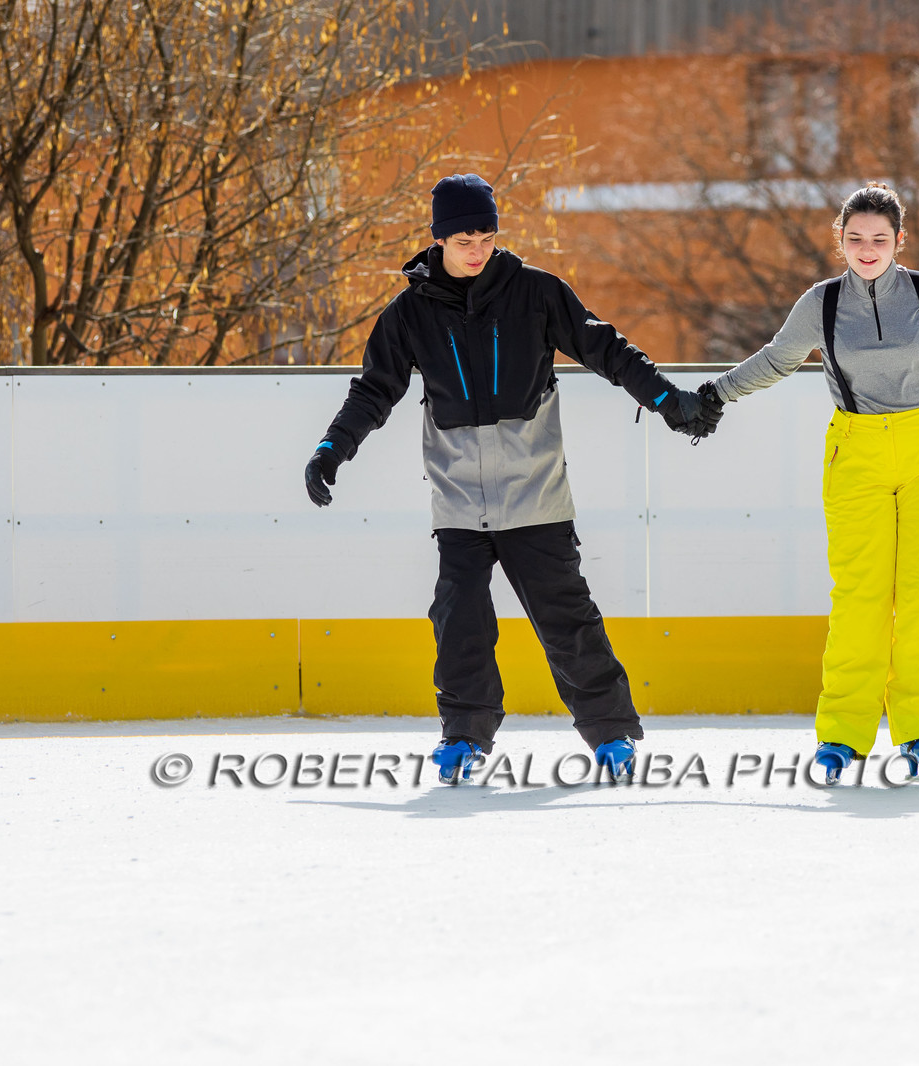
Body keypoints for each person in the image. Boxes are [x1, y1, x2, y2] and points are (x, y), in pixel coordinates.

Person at [305, 173, 722, 783]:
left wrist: (667, 400)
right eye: (464, 239)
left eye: (486, 237)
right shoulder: (410, 313)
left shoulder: (536, 293)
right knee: (460, 619)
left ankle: (611, 736)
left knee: (566, 617)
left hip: (536, 491)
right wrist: (332, 447)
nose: (477, 250)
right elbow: (376, 388)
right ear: (439, 239)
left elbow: (607, 350)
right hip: (458, 497)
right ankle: (463, 737)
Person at [704, 182, 919, 785]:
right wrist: (715, 394)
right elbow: (778, 358)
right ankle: (842, 736)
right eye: (855, 237)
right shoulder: (823, 303)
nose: (867, 248)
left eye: (879, 239)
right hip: (856, 453)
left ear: (898, 241)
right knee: (859, 599)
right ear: (840, 239)